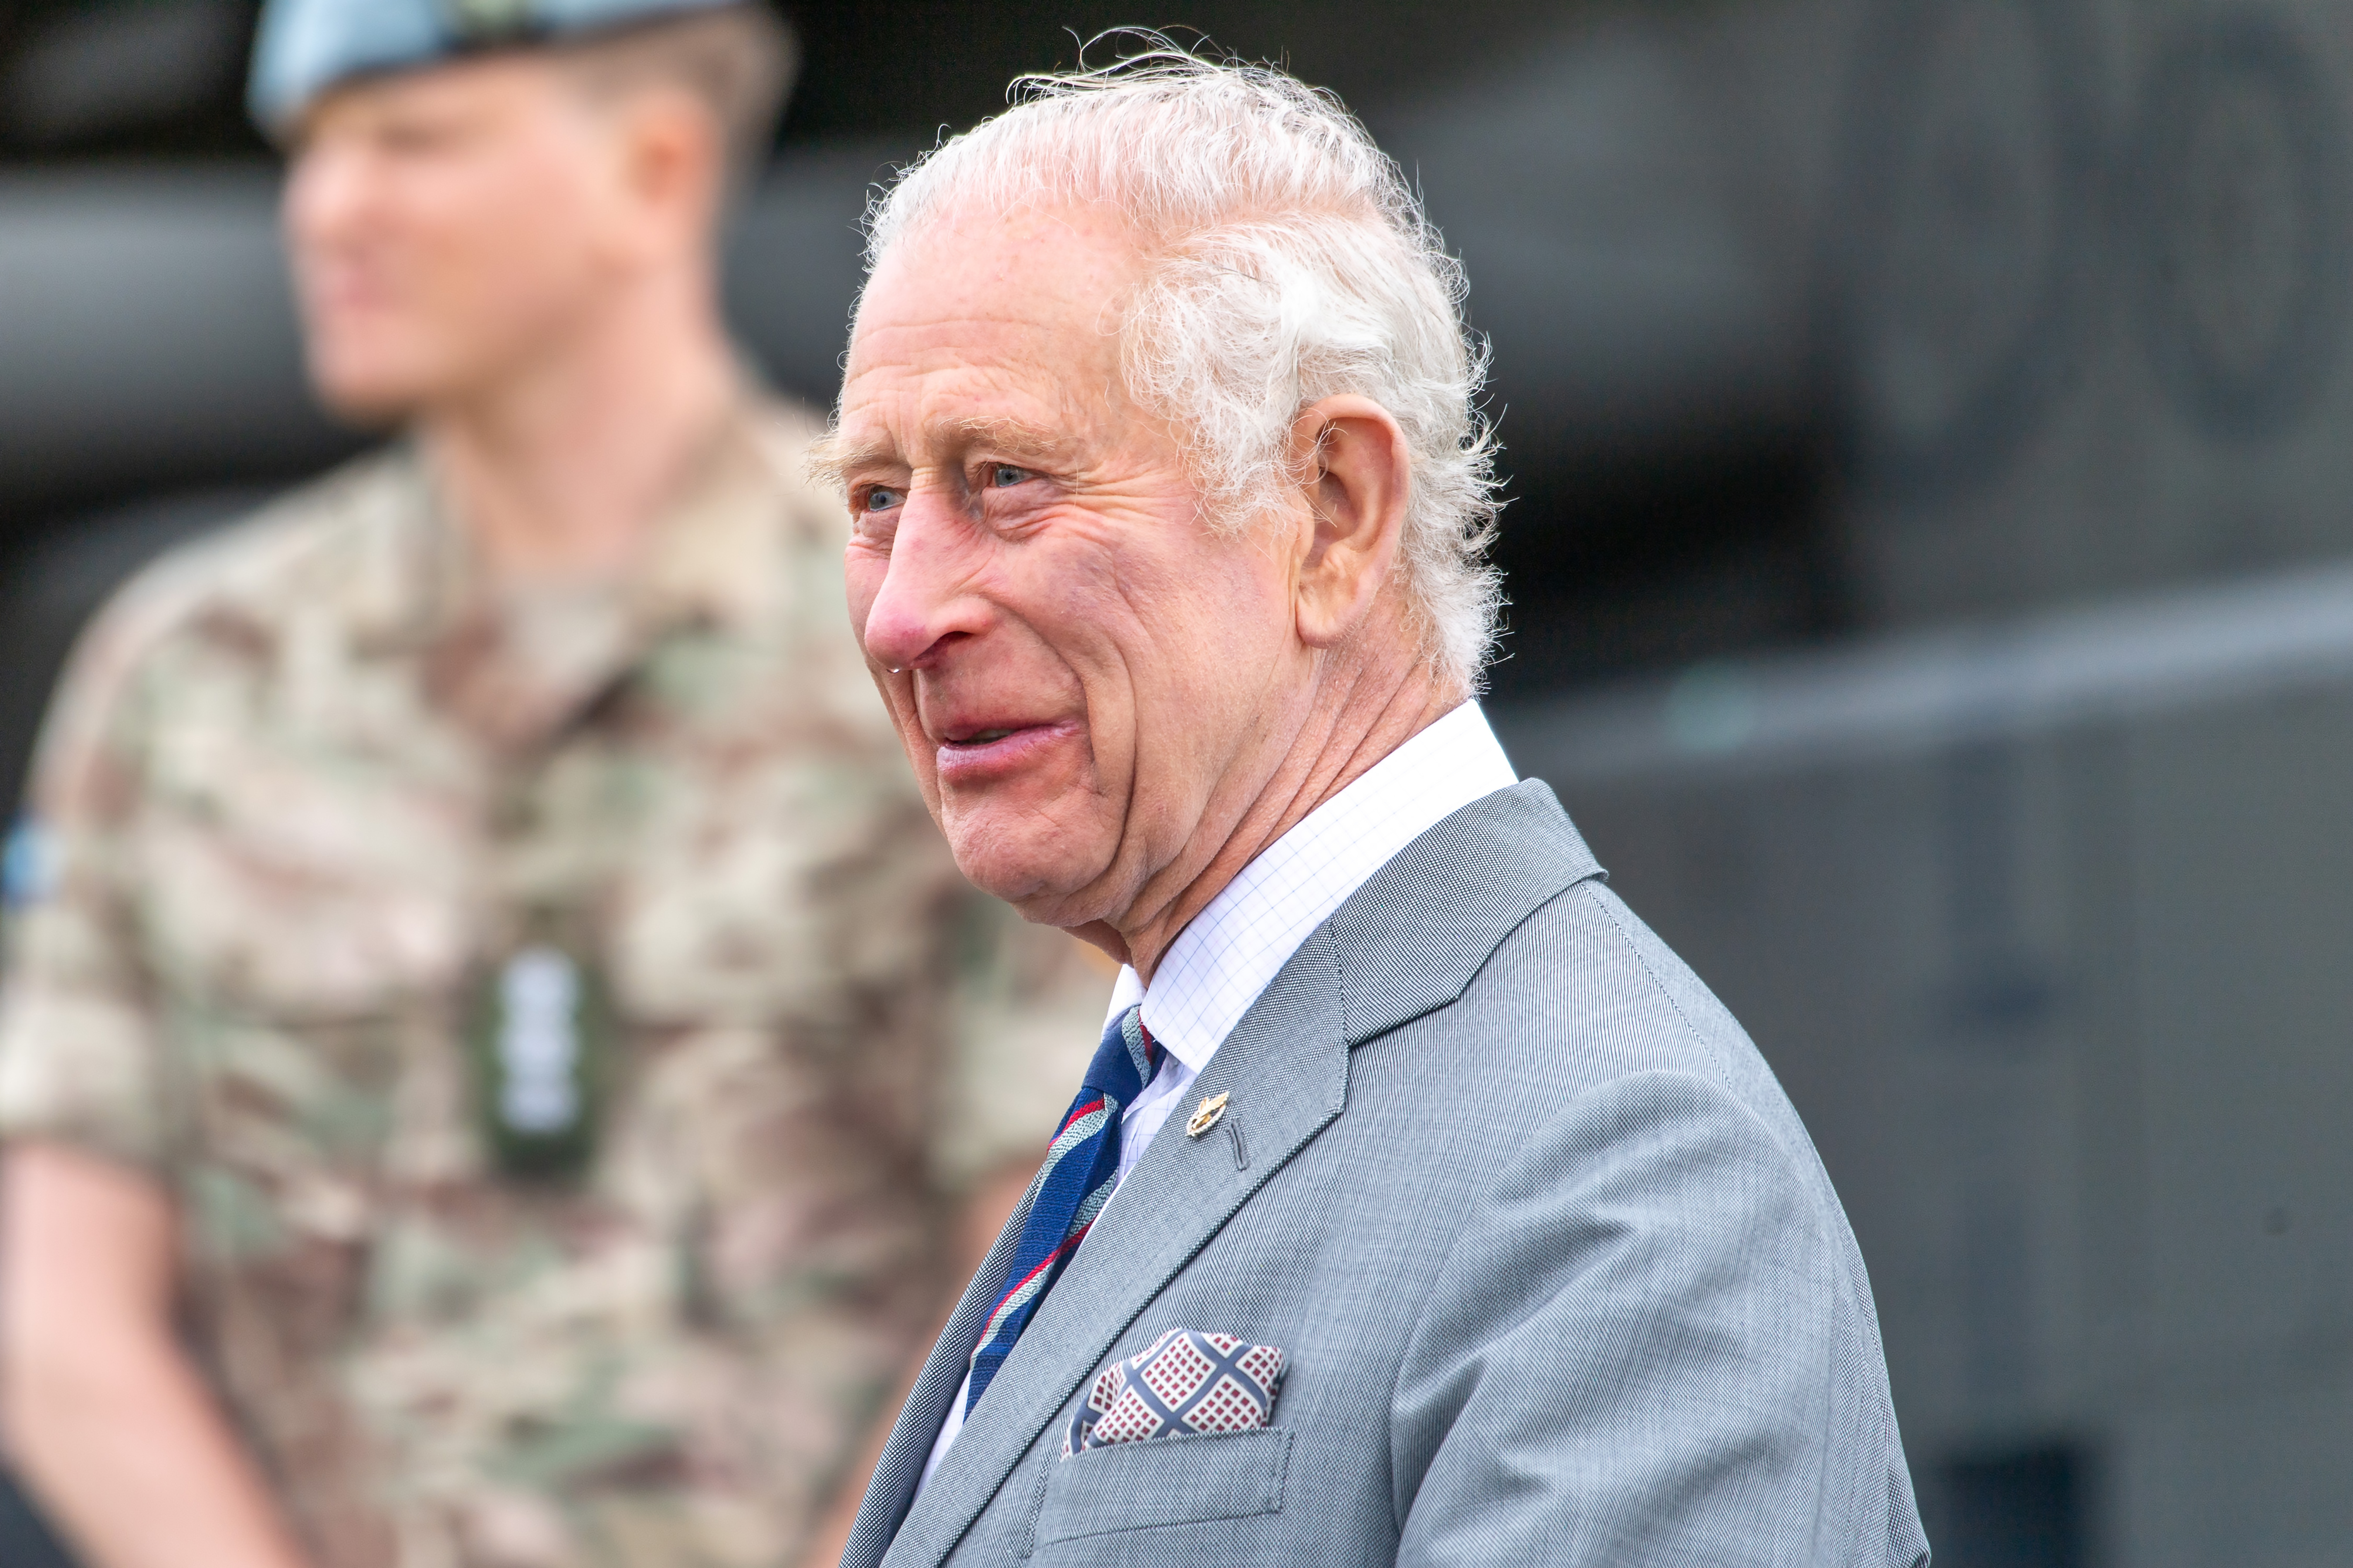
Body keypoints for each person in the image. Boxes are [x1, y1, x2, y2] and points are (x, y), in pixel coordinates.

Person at [0, 4, 1107, 1567]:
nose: (329, 209)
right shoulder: (187, 675)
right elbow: (58, 1310)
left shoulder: (929, 648)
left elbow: (1051, 1257)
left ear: (650, 172)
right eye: (311, 155)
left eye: (410, 142)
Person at [813, 51, 1934, 1568]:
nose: (903, 612)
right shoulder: (1187, 1086)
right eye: (878, 501)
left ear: (1335, 513)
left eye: (1006, 479)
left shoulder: (1622, 1177)